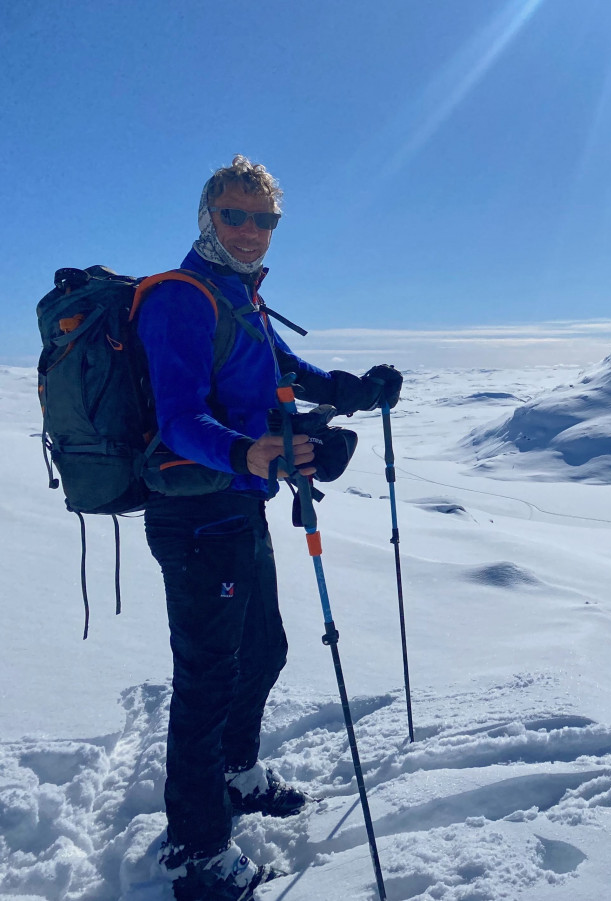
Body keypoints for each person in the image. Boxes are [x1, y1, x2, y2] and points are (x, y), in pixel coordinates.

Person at [137, 155, 402, 900]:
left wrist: (357, 392)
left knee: (265, 650)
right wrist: (244, 449)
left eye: (264, 219)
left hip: (239, 505)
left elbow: (291, 370)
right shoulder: (182, 299)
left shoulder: (240, 298)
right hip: (193, 517)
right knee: (208, 677)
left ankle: (236, 772)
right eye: (235, 215)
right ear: (206, 217)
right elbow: (178, 418)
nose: (251, 231)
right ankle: (195, 846)